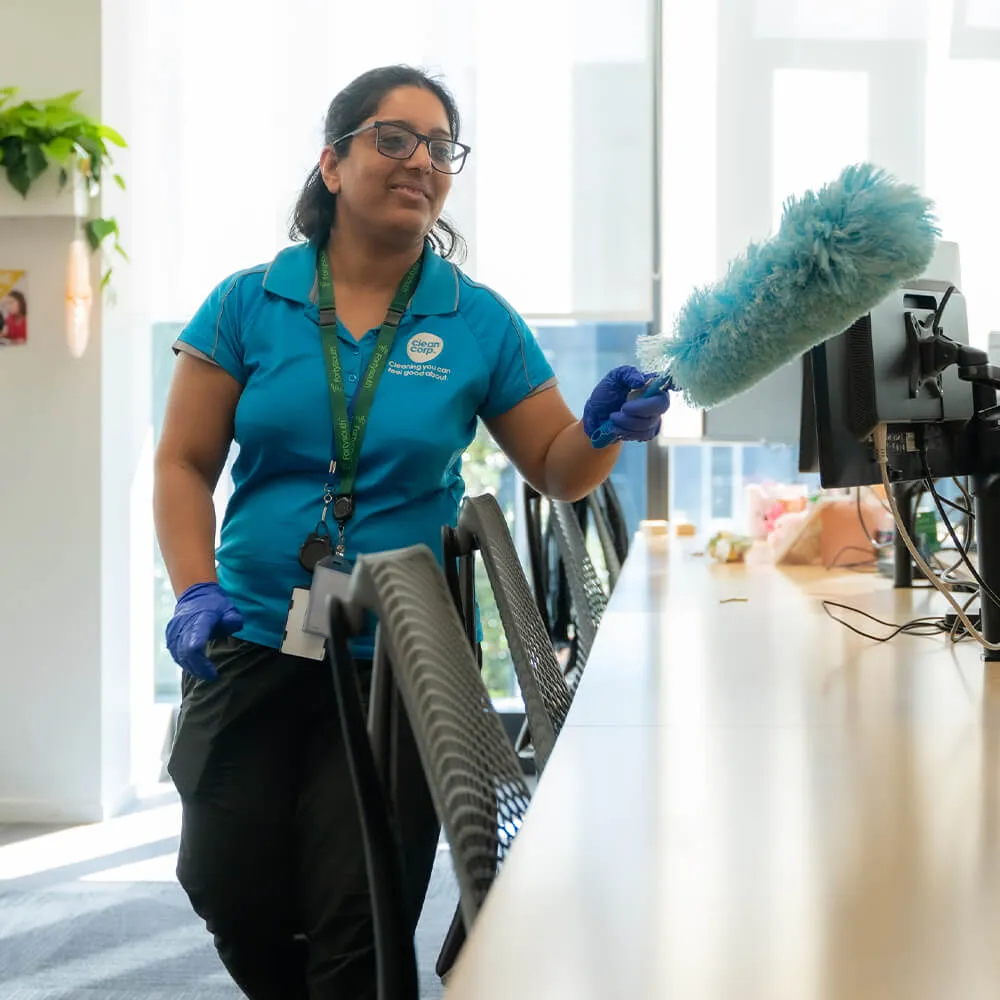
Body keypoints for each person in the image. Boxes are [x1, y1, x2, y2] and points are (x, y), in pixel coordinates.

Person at [154, 64, 668, 1000]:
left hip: (400, 663)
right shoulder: (247, 302)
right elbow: (183, 464)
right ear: (332, 163)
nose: (420, 161)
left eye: (440, 147)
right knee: (225, 882)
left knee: (360, 913)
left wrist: (600, 431)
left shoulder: (476, 318)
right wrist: (194, 587)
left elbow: (556, 467)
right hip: (249, 638)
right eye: (393, 139)